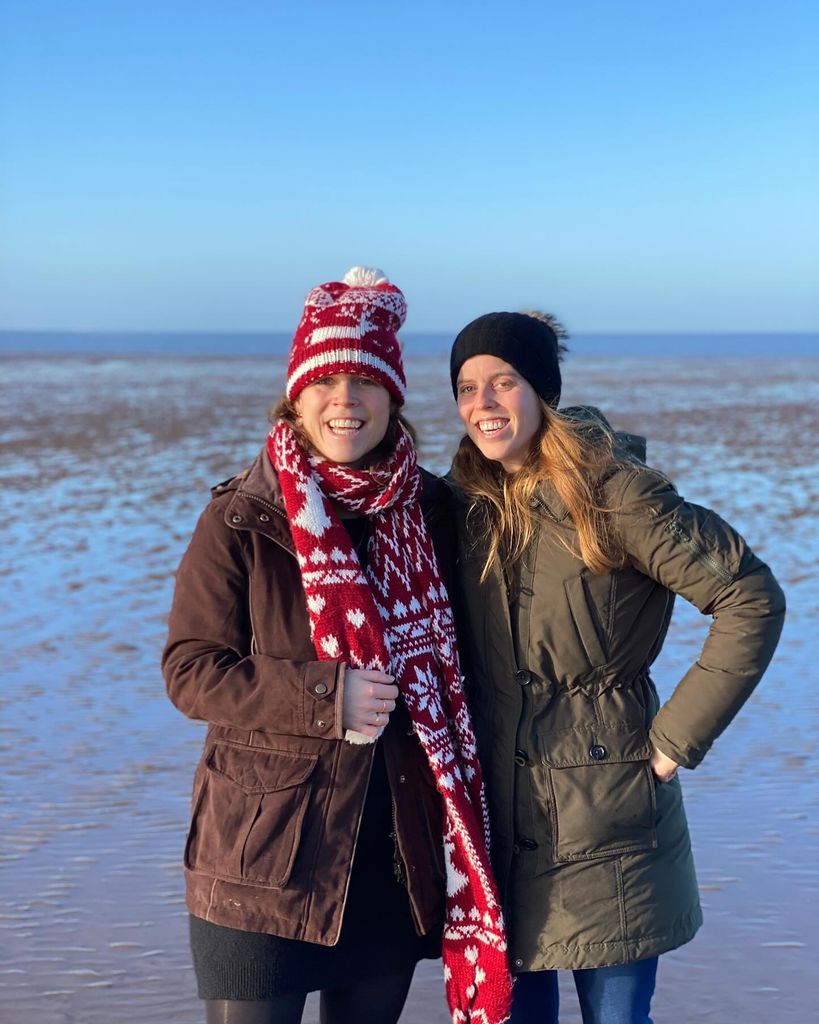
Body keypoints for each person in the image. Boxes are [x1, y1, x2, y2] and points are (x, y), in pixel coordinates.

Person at [162, 269, 512, 1024]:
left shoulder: (436, 513)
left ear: (393, 399)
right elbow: (190, 672)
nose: (344, 401)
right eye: (325, 381)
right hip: (264, 858)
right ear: (296, 395)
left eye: (365, 382)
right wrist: (326, 694)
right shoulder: (241, 519)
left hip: (394, 858)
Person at [447, 312, 786, 1024]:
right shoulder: (462, 505)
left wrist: (671, 742)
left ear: (541, 391)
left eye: (503, 382)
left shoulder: (613, 492)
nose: (483, 403)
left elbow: (748, 597)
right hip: (497, 818)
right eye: (466, 386)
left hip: (610, 812)